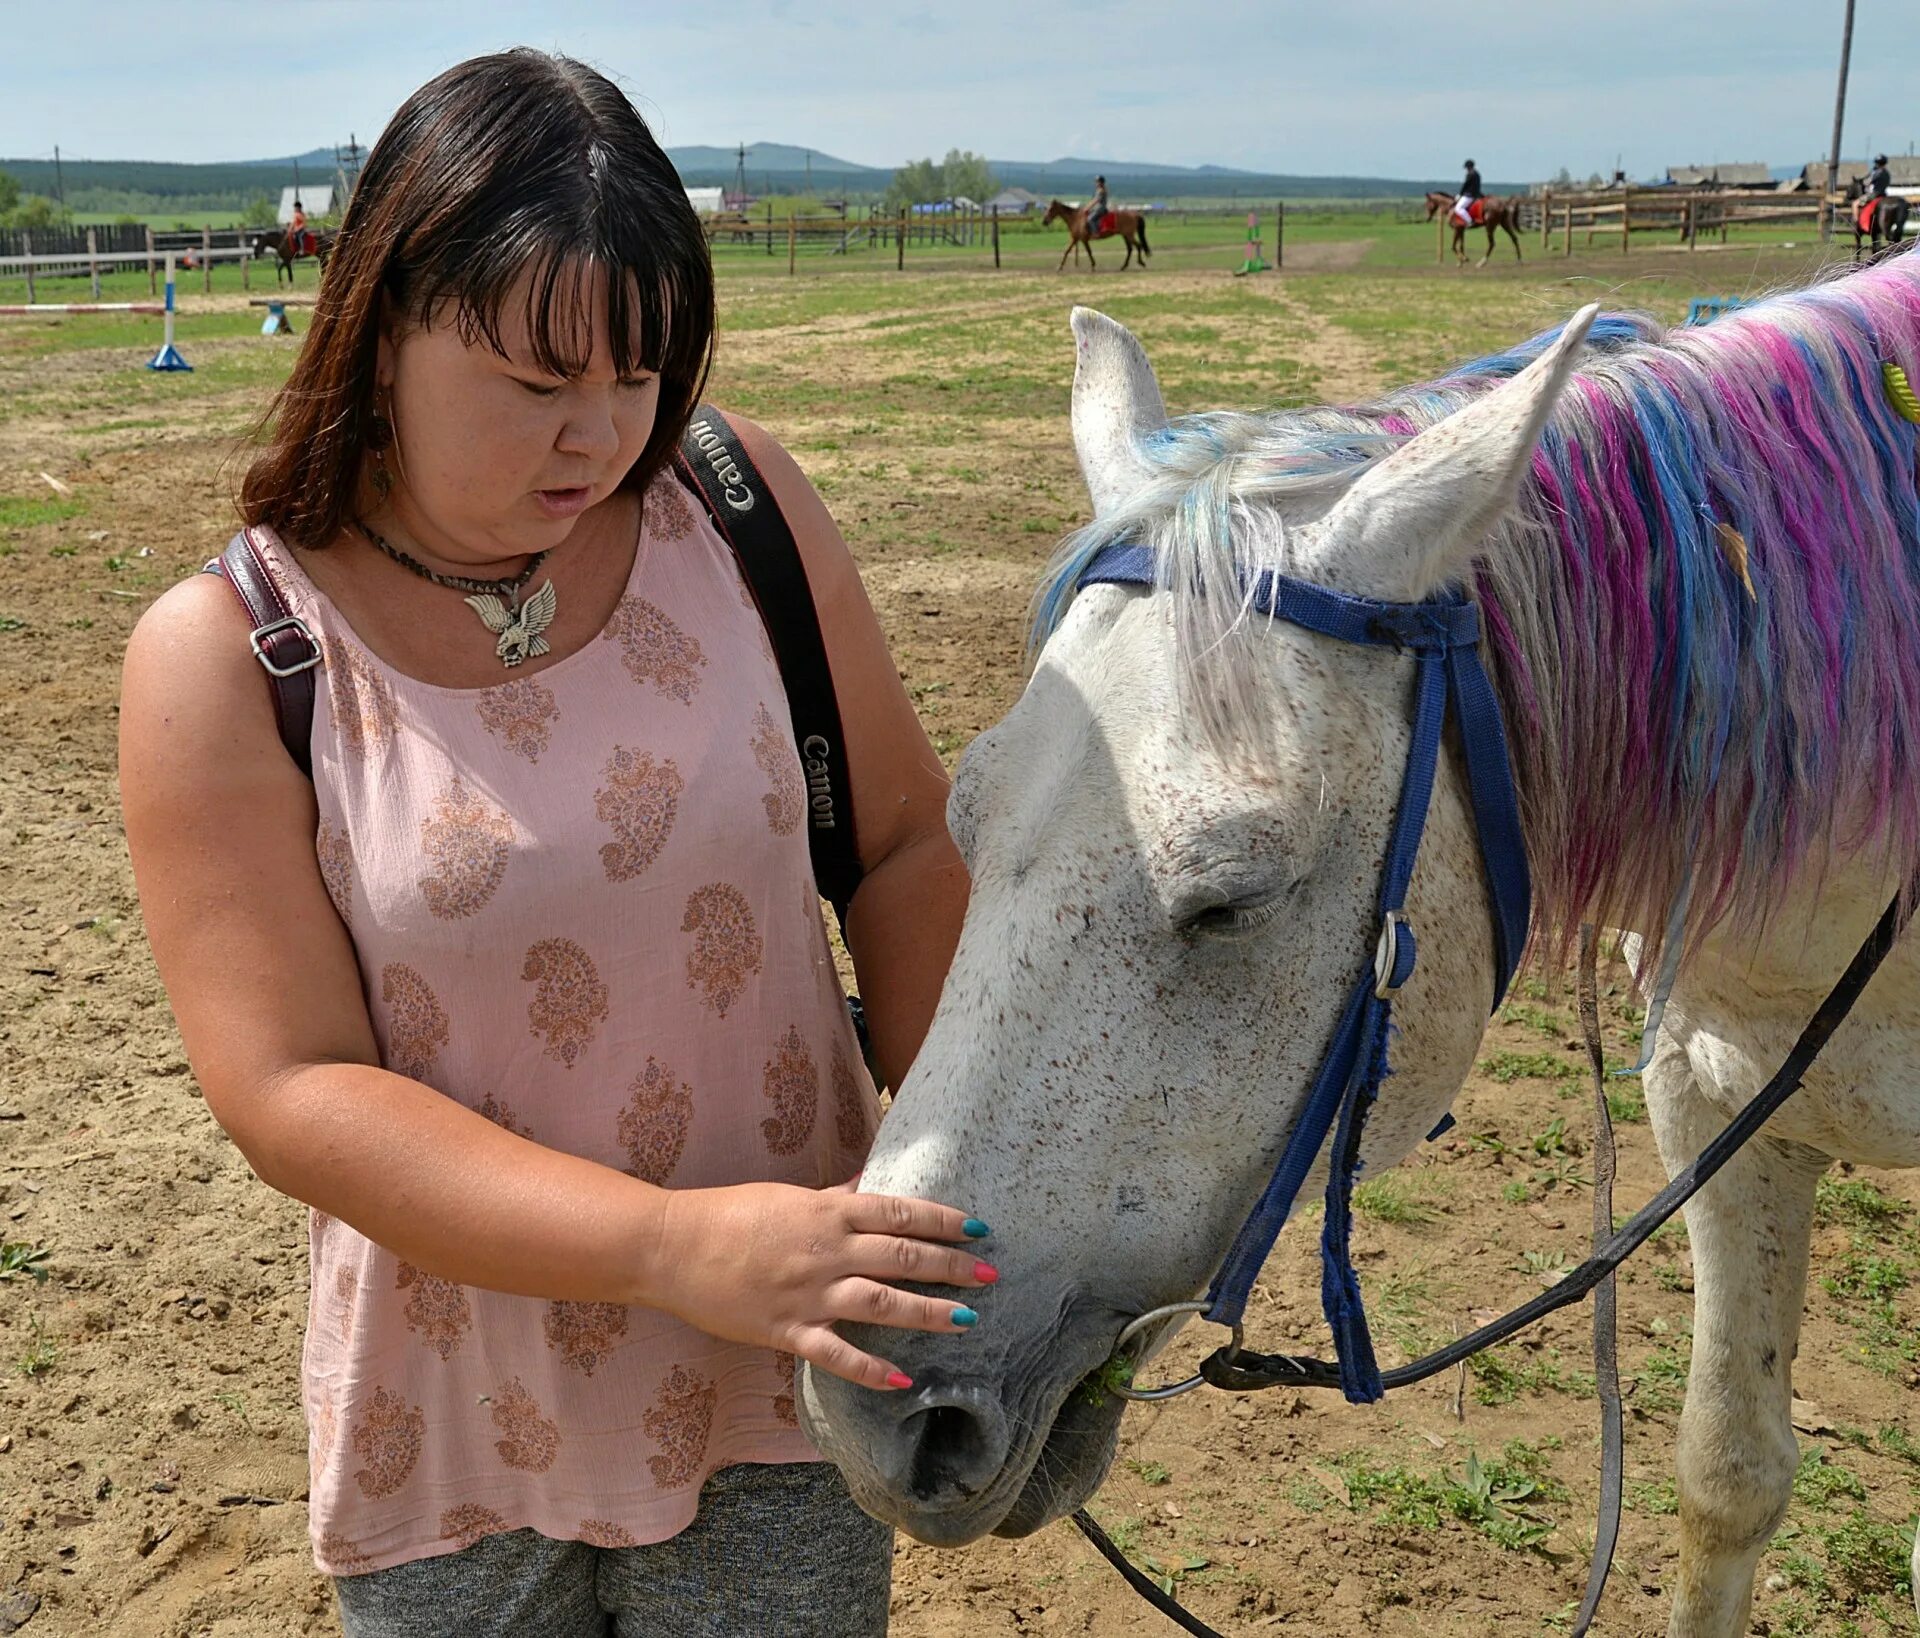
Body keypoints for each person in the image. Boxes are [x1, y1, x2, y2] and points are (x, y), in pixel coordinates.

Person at [120, 48, 977, 1638]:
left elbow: (911, 844)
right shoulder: (233, 654)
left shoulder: (735, 509)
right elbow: (293, 1088)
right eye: (536, 381)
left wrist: (972, 1171)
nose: (597, 436)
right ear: (380, 331)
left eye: (637, 376)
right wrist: (668, 1247)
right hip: (457, 1413)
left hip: (787, 1358)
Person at [1453, 158, 1483, 226]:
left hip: (1469, 195)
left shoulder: (1470, 174)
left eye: (1466, 168)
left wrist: (1460, 194)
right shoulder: (1477, 174)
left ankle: (1469, 221)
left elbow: (1465, 185)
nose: (1466, 169)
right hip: (1477, 194)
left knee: (1458, 208)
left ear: (1468, 167)